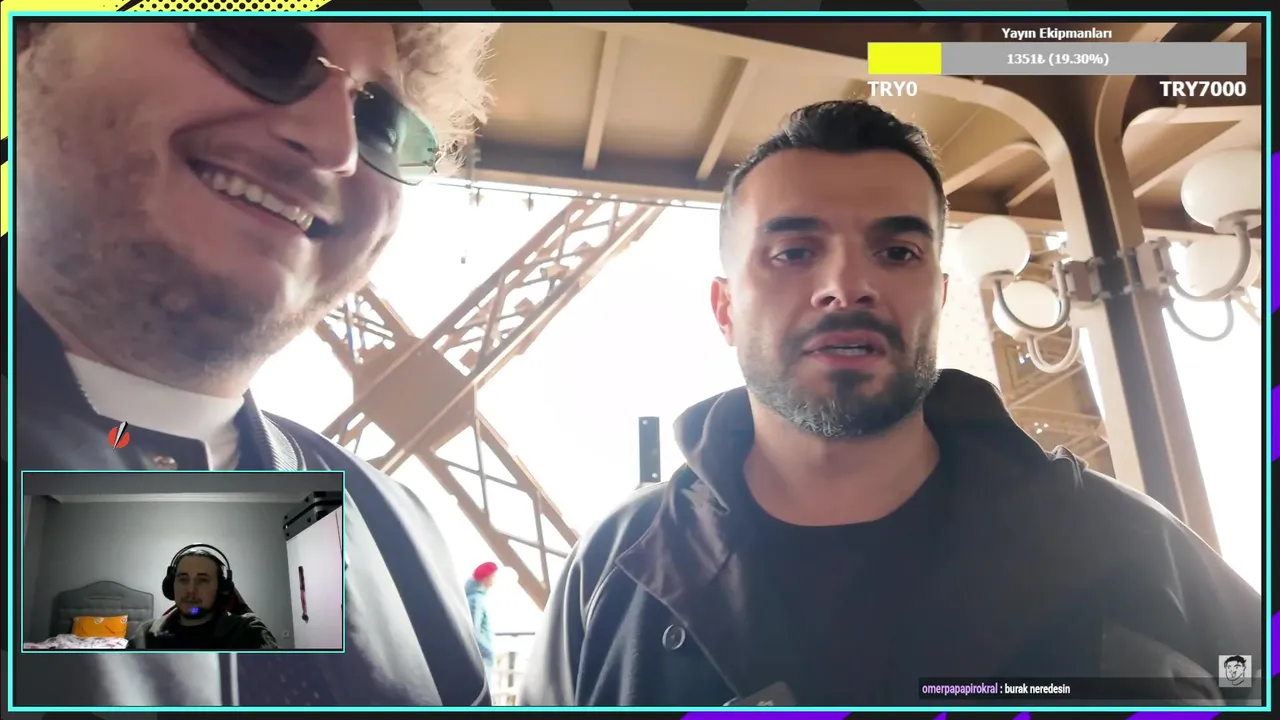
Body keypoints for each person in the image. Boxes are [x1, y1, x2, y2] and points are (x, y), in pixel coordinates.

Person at [520, 101, 1263, 707]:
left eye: (898, 252)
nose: (847, 286)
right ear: (724, 310)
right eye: (793, 252)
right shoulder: (611, 571)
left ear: (937, 297)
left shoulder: (1127, 542)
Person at [12, 20, 498, 706]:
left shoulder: (397, 534)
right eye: (257, 42)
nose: (336, 144)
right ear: (27, 44)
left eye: (381, 122)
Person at [128, 546, 277, 651]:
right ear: (171, 586)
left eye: (203, 580)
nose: (191, 590)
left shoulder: (248, 631)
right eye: (183, 579)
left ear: (221, 589)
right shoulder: (145, 636)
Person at [465, 562, 499, 674]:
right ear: (486, 577)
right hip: (482, 657)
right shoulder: (476, 600)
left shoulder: (474, 597)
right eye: (493, 576)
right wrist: (488, 653)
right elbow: (474, 629)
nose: (494, 579)